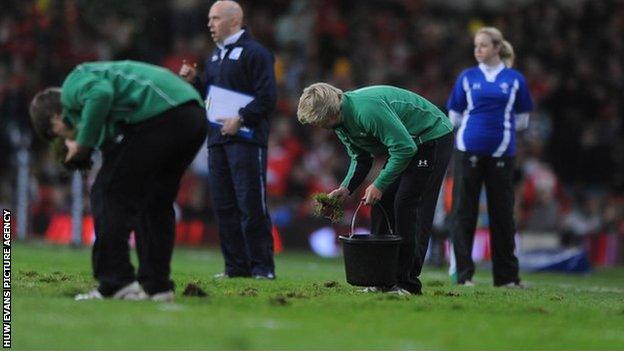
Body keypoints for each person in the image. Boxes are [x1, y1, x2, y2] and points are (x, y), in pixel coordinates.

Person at [29, 60, 208, 301]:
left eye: (59, 135)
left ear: (56, 117)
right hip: (191, 115)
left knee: (106, 193)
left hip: (163, 112)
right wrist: (87, 148)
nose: (64, 139)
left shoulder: (73, 84)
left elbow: (100, 94)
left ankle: (115, 281)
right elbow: (117, 150)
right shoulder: (106, 117)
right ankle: (157, 287)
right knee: (154, 201)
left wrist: (82, 143)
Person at [297, 83, 454, 295]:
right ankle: (381, 279)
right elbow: (360, 157)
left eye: (318, 121)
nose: (318, 126)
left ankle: (407, 284)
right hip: (406, 143)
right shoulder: (339, 122)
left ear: (329, 113)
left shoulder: (366, 111)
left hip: (431, 137)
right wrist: (346, 188)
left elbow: (405, 148)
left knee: (407, 204)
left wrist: (379, 184)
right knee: (381, 202)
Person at [179, 0, 277, 279]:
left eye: (215, 18)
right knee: (224, 206)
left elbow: (268, 97)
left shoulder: (256, 53)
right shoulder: (213, 57)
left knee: (251, 205)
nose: (210, 24)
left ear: (234, 21)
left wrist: (242, 118)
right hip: (218, 140)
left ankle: (262, 268)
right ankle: (235, 267)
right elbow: (211, 97)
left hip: (247, 140)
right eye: (210, 19)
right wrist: (195, 81)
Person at [447, 27, 533, 287]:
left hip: (502, 154)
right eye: (476, 46)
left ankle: (506, 277)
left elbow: (522, 120)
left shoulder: (515, 79)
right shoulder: (466, 77)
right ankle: (463, 275)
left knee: (503, 214)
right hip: (467, 152)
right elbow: (455, 116)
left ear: (497, 47)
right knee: (464, 212)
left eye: (483, 45)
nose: (478, 50)